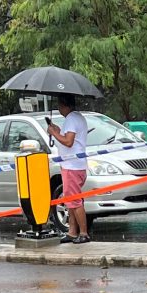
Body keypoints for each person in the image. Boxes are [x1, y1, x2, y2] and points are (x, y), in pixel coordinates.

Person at [45, 94, 90, 244]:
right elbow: (70, 139)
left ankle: (83, 232)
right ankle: (72, 232)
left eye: (59, 105)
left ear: (65, 105)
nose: (58, 108)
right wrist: (58, 131)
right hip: (74, 165)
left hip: (72, 166)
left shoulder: (71, 119)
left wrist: (54, 133)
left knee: (75, 201)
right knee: (70, 200)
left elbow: (68, 142)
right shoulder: (77, 118)